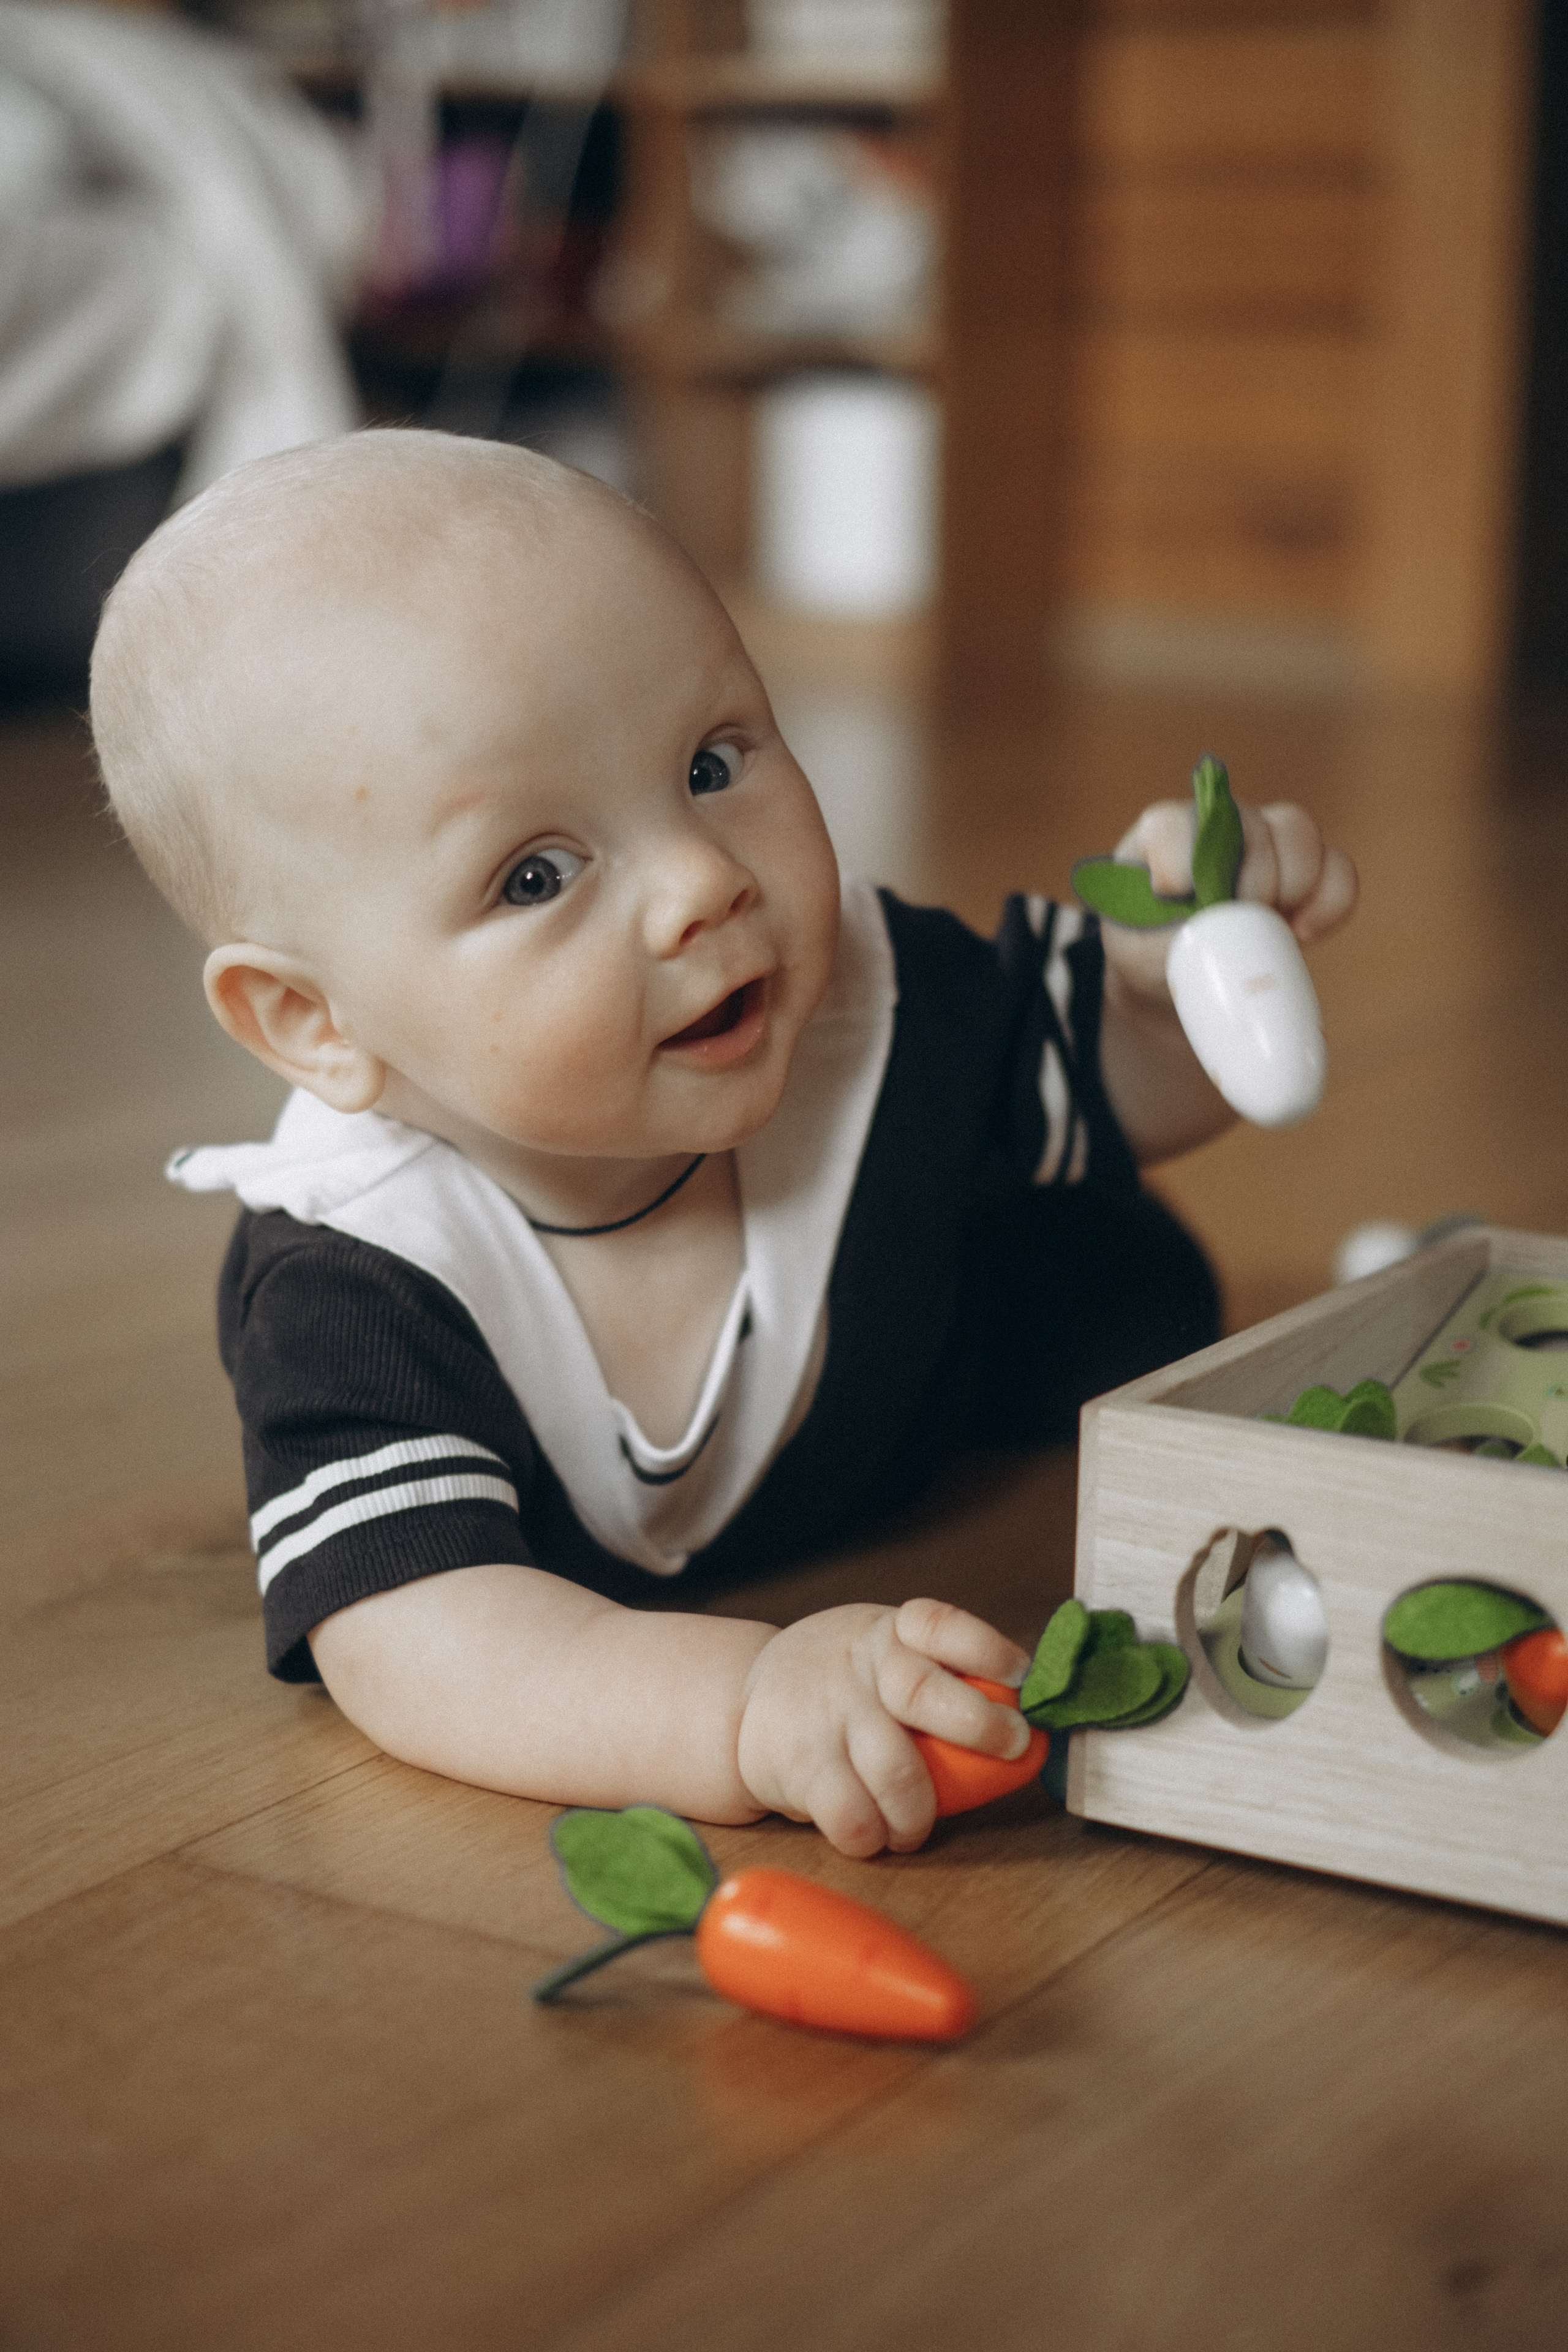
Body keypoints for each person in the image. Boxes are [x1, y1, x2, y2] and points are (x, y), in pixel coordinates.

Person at [90, 429, 1357, 1858]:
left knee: (1140, 1290)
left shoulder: (874, 1002)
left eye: (709, 762)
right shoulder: (360, 1276)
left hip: (924, 1349)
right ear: (311, 1019)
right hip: (685, 1530)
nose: (702, 883)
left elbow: (1135, 1091)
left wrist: (1180, 973)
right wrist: (743, 1700)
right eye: (535, 874)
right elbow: (419, 1640)